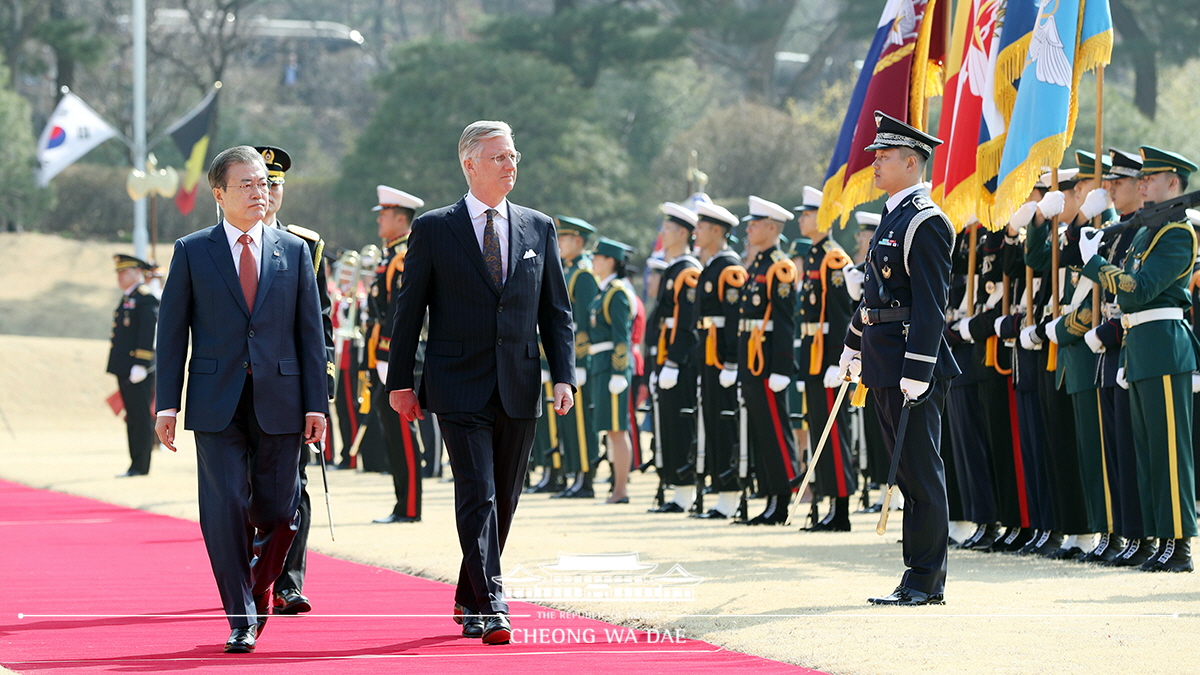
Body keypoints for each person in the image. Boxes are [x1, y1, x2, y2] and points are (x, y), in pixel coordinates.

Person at [386, 121, 576, 645]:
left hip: (519, 382)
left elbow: (556, 313)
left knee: (506, 498)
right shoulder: (433, 228)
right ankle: (493, 602)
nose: (510, 165)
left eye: (514, 156)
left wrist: (564, 375)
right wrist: (400, 381)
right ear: (469, 164)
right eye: (498, 158)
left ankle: (470, 594)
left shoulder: (539, 227)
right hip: (456, 383)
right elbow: (410, 311)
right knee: (479, 492)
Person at [154, 145, 329, 652]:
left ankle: (256, 588)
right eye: (247, 184)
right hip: (216, 400)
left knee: (281, 511)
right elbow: (172, 332)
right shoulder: (193, 250)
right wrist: (168, 403)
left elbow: (309, 335)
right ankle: (241, 616)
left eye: (264, 184)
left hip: (284, 399)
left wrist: (316, 404)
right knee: (226, 504)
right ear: (219, 193)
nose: (261, 192)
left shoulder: (294, 251)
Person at [838, 112, 958, 605]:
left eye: (884, 158)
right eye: (876, 157)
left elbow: (931, 303)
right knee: (907, 474)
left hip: (910, 363)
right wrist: (851, 345)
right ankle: (916, 576)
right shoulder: (892, 216)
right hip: (883, 357)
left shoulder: (927, 222)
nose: (876, 165)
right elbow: (874, 295)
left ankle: (925, 580)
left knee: (920, 473)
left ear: (913, 162)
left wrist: (917, 371)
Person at [1078, 145, 1198, 573]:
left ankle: (1180, 543)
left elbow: (1138, 288)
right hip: (1141, 344)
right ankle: (1160, 538)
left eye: (1151, 178)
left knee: (1170, 451)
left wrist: (1093, 265)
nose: (1142, 184)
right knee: (1149, 453)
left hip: (1165, 345)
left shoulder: (1178, 234)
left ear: (1173, 183)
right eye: (1141, 178)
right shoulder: (1148, 232)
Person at [252, 146, 337, 617]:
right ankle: (250, 571)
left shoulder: (304, 245)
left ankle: (289, 581)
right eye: (261, 180)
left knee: (293, 486)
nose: (269, 190)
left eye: (276, 183)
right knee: (244, 488)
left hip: (288, 390)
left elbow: (318, 324)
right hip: (241, 389)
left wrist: (319, 394)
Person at [793, 186, 856, 532]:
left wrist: (837, 359)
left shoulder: (833, 258)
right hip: (813, 357)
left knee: (833, 433)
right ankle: (830, 503)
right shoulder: (816, 255)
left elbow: (840, 313)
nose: (802, 219)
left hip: (828, 359)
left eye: (807, 213)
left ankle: (841, 507)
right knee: (819, 431)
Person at [736, 196, 799, 525]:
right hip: (751, 360)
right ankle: (771, 497)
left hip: (768, 364)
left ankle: (783, 498)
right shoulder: (758, 264)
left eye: (755, 223)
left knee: (776, 431)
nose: (749, 228)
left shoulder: (780, 267)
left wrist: (782, 368)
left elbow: (787, 322)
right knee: (762, 433)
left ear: (772, 228)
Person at [368, 184, 427, 524]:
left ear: (401, 219)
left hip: (399, 357)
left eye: (385, 215)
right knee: (392, 427)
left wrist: (390, 356)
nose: (379, 222)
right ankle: (401, 503)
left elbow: (404, 313)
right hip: (385, 354)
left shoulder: (404, 256)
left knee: (403, 430)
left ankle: (409, 507)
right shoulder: (391, 255)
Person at [689, 202, 746, 519]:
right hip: (708, 358)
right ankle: (720, 490)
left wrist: (731, 362)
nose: (696, 232)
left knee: (725, 424)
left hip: (723, 361)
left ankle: (729, 493)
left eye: (701, 226)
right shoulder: (711, 266)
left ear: (716, 231)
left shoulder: (729, 268)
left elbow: (735, 321)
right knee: (712, 422)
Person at [645, 202, 702, 513]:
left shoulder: (687, 270)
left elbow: (685, 323)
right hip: (667, 360)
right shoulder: (673, 268)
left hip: (680, 363)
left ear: (682, 233)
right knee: (668, 423)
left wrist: (674, 362)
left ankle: (684, 491)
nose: (662, 234)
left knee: (680, 423)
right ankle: (675, 489)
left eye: (667, 229)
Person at [552, 216, 601, 498]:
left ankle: (586, 477)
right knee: (569, 423)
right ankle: (574, 475)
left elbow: (583, 323)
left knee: (581, 422)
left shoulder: (582, 274)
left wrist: (578, 361)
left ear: (579, 242)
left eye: (565, 238)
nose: (559, 244)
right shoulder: (568, 271)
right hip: (566, 359)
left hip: (579, 360)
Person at [586, 237, 638, 504]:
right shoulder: (602, 291)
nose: (593, 261)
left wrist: (619, 372)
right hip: (601, 366)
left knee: (618, 429)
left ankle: (621, 490)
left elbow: (622, 336)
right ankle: (616, 487)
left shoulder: (616, 292)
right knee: (609, 429)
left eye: (597, 257)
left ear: (609, 261)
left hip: (612, 368)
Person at [108, 254, 159, 477]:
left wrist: (141, 363)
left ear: (137, 272)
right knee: (133, 417)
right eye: (118, 273)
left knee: (140, 417)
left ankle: (141, 465)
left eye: (124, 272)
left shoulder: (144, 298)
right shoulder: (129, 297)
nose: (120, 277)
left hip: (138, 368)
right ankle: (135, 463)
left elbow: (148, 332)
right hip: (126, 367)